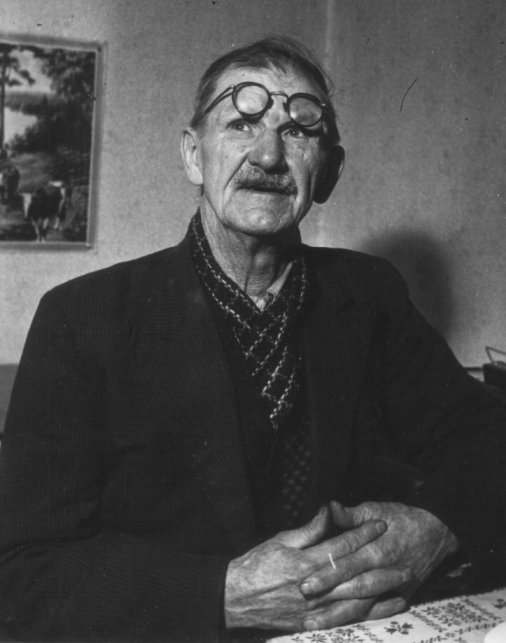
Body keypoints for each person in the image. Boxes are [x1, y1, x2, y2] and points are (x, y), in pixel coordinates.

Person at [0, 36, 505, 642]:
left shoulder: (370, 295)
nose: (268, 154)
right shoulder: (83, 318)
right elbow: (21, 572)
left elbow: (487, 439)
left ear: (329, 172)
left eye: (298, 131)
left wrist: (438, 528)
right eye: (241, 124)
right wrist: (221, 596)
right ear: (194, 156)